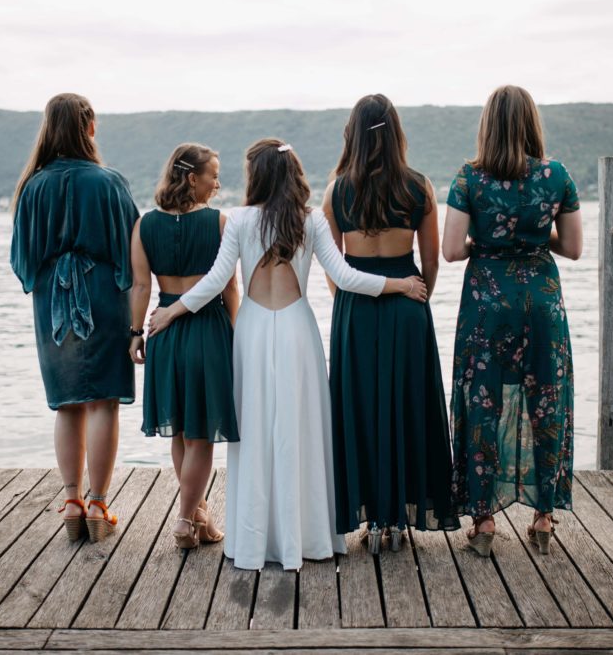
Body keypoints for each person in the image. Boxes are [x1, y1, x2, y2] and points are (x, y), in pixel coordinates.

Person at [148, 139, 427, 570]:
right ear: (294, 174)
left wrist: (171, 312)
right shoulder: (310, 219)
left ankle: (256, 540)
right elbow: (347, 277)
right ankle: (309, 538)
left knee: (255, 434)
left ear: (256, 175)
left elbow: (215, 281)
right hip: (298, 331)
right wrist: (401, 284)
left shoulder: (239, 220)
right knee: (302, 432)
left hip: (255, 333)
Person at [442, 85, 583, 556]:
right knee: (546, 398)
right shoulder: (557, 174)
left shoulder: (469, 178)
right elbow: (574, 248)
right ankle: (543, 518)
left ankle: (483, 524)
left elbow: (450, 251)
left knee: (483, 401)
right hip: (542, 300)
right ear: (531, 123)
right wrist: (536, 241)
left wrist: (487, 246)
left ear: (488, 125)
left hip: (487, 302)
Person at [323, 94, 456, 553]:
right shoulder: (419, 188)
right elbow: (431, 260)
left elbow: (333, 269)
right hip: (407, 303)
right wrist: (418, 298)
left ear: (352, 135)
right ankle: (399, 519)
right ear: (397, 132)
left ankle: (370, 517)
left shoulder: (338, 190)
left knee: (358, 408)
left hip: (355, 309)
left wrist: (351, 303)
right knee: (407, 407)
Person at [10, 93, 139, 543]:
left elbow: (22, 259)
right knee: (103, 400)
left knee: (66, 403)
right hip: (102, 295)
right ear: (89, 127)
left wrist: (50, 278)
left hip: (51, 302)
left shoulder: (33, 186)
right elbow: (132, 248)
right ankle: (100, 503)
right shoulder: (108, 182)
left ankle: (70, 501)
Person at [129, 143, 240, 549]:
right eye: (213, 175)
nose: (217, 183)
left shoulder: (144, 225)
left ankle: (199, 517)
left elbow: (142, 286)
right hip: (206, 330)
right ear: (193, 178)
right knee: (201, 437)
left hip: (163, 330)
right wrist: (236, 336)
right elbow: (229, 288)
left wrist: (136, 332)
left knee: (179, 432)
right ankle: (182, 520)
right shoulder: (219, 224)